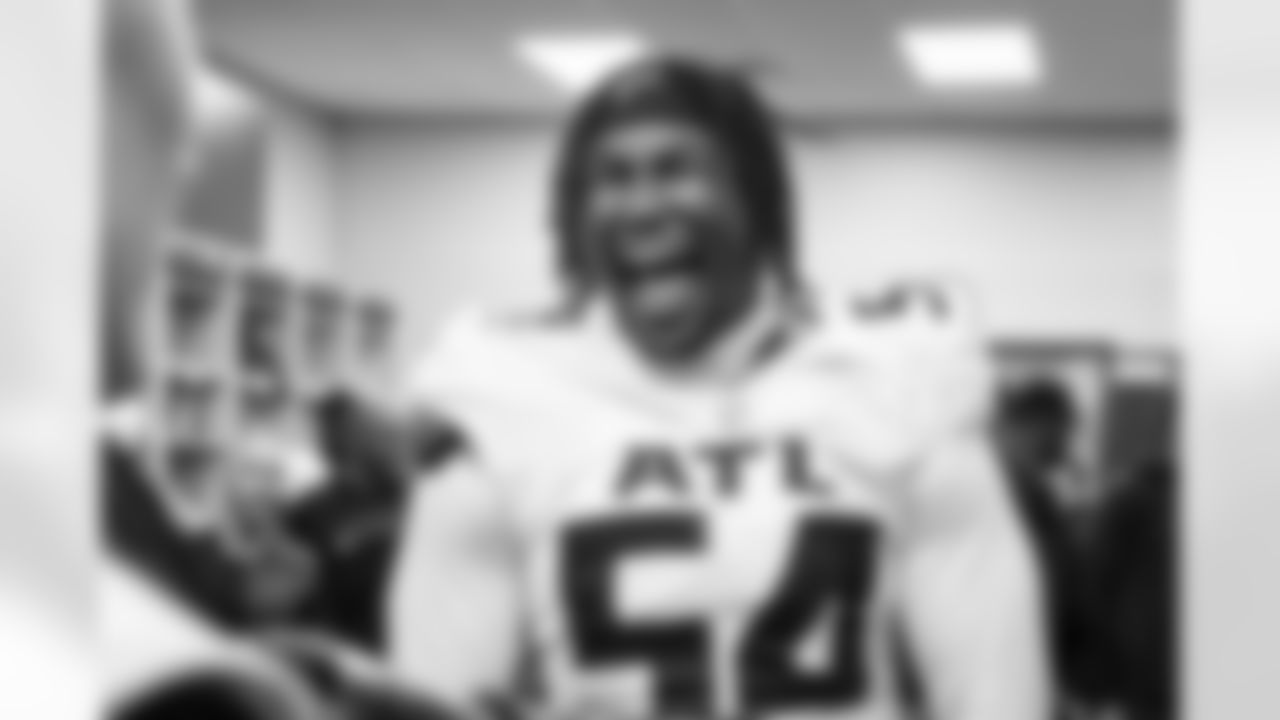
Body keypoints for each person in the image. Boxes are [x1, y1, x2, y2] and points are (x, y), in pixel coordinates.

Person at [388, 57, 1049, 720]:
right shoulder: (500, 393)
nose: (643, 208)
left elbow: (994, 688)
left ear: (756, 204)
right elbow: (439, 699)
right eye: (613, 178)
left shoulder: (895, 377)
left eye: (676, 170)